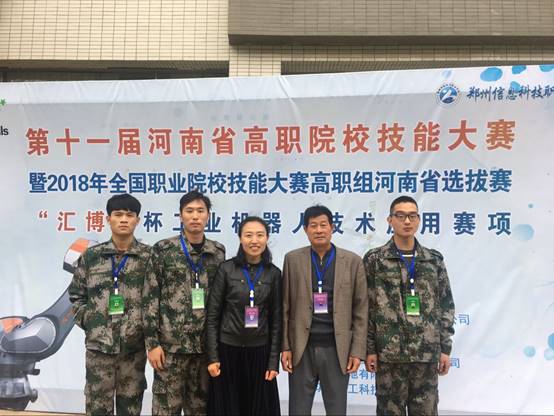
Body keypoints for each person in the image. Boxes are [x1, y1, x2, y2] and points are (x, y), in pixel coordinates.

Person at [364, 195, 455, 415]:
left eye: (412, 216)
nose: (407, 221)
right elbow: (366, 307)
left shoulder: (433, 260)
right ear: (390, 220)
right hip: (389, 356)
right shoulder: (375, 259)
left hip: (426, 355)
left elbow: (446, 305)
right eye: (401, 216)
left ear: (418, 220)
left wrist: (445, 348)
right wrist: (369, 349)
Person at [143, 191, 226, 415]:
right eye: (189, 211)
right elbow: (150, 297)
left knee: (200, 410)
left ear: (208, 215)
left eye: (200, 211)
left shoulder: (217, 252)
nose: (195, 216)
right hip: (170, 349)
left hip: (204, 349)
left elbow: (221, 302)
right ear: (180, 216)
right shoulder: (163, 250)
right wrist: (152, 344)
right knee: (165, 410)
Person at [69, 193, 151, 416]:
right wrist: (91, 322)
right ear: (108, 219)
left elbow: (155, 299)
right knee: (98, 408)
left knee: (130, 409)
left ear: (137, 220)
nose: (124, 219)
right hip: (99, 349)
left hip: (133, 350)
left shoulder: (148, 257)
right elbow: (76, 296)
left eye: (129, 215)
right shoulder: (92, 256)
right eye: (118, 214)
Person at [281, 205, 368, 415]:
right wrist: (285, 347)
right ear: (305, 229)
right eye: (313, 226)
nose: (319, 230)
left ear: (332, 227)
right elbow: (285, 306)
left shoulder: (353, 261)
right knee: (298, 410)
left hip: (338, 349)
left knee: (336, 410)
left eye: (323, 225)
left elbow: (361, 310)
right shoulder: (292, 259)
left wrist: (357, 351)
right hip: (302, 348)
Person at [205, 216, 282, 416]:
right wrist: (213, 357)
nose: (254, 240)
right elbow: (212, 317)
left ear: (267, 238)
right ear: (240, 238)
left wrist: (273, 362)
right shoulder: (226, 269)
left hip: (260, 353)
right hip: (227, 352)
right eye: (248, 235)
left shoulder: (273, 273)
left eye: (259, 235)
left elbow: (276, 321)